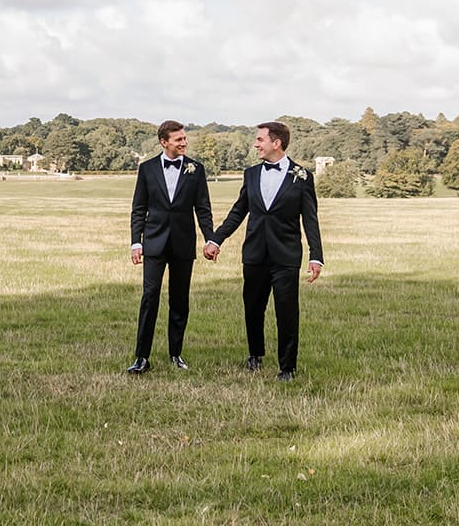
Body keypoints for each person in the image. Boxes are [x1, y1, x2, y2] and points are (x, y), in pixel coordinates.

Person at [203, 121, 323, 381]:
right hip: (255, 253)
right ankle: (255, 354)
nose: (256, 144)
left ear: (276, 143)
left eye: (260, 140)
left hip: (286, 256)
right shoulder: (251, 174)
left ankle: (287, 368)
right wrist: (216, 240)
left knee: (287, 312)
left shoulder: (302, 176)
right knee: (253, 307)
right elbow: (238, 212)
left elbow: (310, 220)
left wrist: (316, 256)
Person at [126, 120, 216, 373]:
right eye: (178, 140)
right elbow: (138, 209)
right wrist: (136, 242)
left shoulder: (196, 169)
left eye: (184, 139)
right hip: (153, 243)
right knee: (149, 298)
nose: (184, 143)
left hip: (183, 244)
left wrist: (210, 238)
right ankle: (141, 357)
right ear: (164, 142)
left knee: (179, 300)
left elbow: (203, 209)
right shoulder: (147, 169)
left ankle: (175, 353)